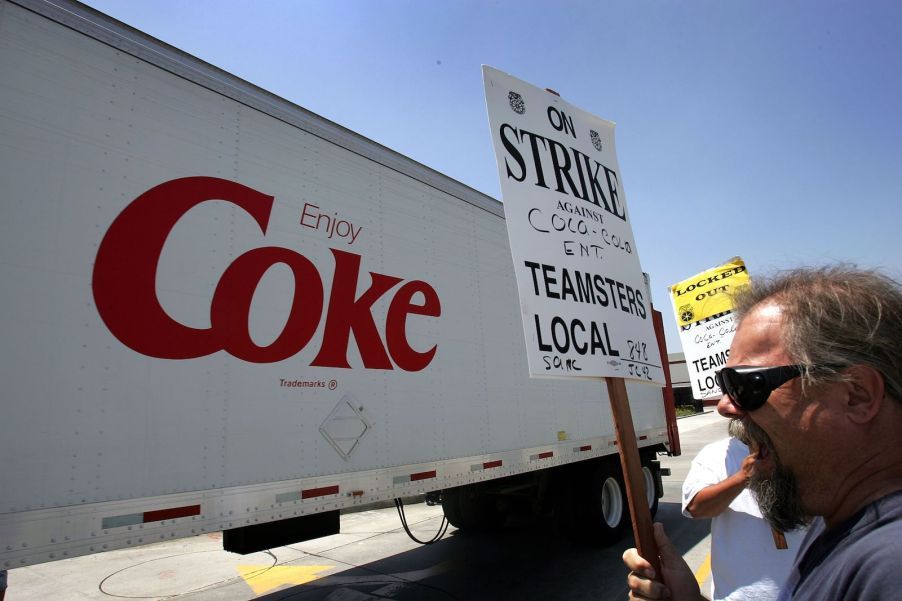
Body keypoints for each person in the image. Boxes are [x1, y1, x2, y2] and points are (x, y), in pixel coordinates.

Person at [624, 266, 902, 600]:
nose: (726, 406)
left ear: (857, 394)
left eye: (747, 384)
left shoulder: (887, 568)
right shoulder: (845, 531)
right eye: (725, 384)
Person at [682, 421, 804, 600]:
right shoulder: (717, 454)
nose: (726, 406)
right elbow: (696, 507)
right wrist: (743, 477)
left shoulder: (802, 447)